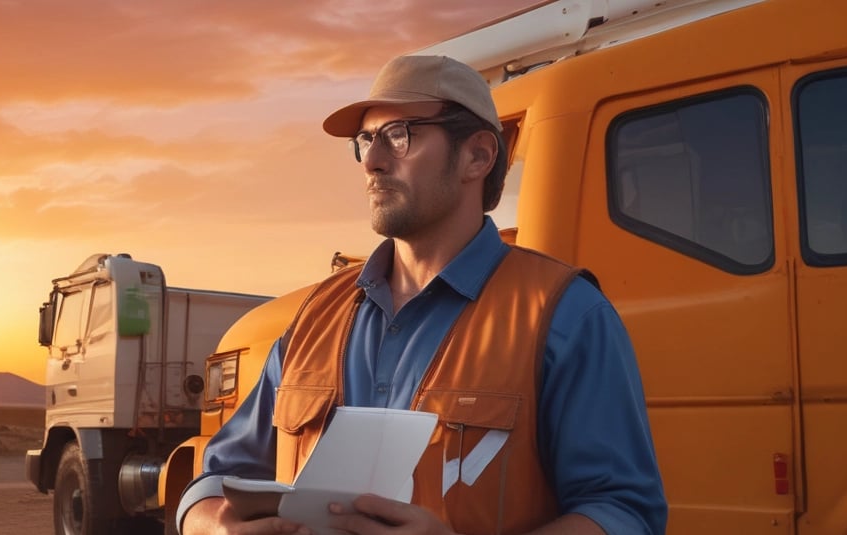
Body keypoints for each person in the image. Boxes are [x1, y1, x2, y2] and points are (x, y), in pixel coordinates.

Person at [177, 54, 667, 535]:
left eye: (399, 135)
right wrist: (215, 526)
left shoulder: (565, 316)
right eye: (366, 139)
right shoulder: (312, 318)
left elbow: (624, 513)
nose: (371, 161)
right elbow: (212, 481)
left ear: (477, 156)